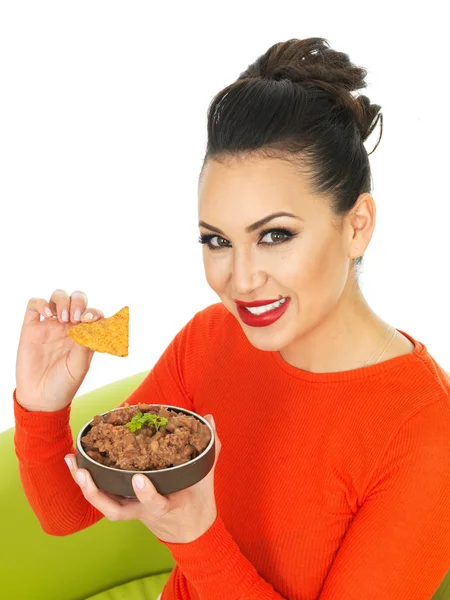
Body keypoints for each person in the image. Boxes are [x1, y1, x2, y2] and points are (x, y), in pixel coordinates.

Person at [13, 37, 450, 600]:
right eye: (217, 240)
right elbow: (67, 512)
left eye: (275, 235)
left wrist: (197, 539)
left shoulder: (423, 431)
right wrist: (43, 407)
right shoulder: (211, 339)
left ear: (357, 225)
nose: (240, 280)